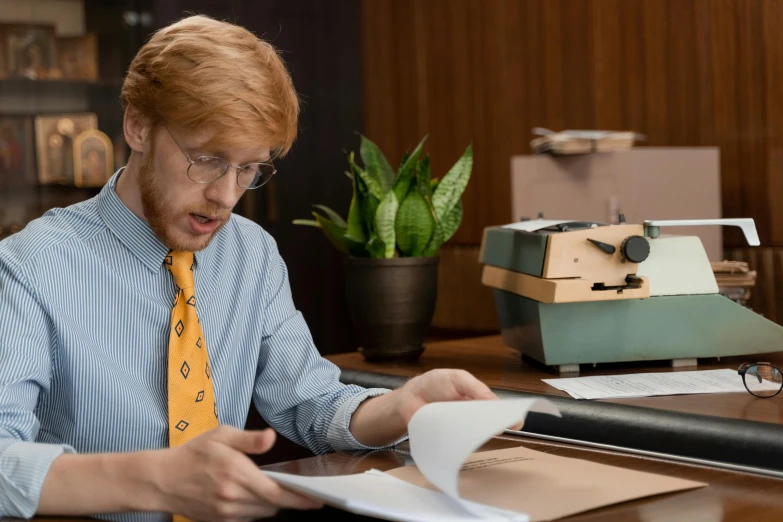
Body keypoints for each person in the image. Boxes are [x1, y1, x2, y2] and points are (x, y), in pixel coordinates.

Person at [0, 14, 507, 522]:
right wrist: (159, 482)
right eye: (207, 159)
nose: (225, 196)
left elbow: (310, 401)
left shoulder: (252, 254)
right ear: (137, 126)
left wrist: (403, 406)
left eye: (248, 169)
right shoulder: (30, 267)